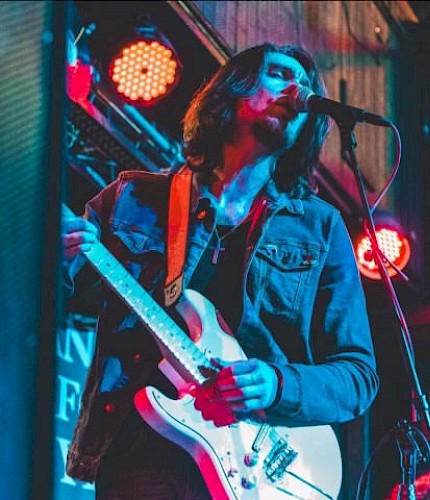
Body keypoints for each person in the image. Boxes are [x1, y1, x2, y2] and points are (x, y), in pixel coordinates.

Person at [62, 43, 379, 499]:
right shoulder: (130, 200)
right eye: (277, 74)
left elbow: (358, 375)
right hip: (143, 455)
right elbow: (45, 306)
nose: (295, 89)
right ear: (230, 90)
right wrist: (58, 260)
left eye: (305, 85)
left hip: (264, 465)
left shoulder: (320, 227)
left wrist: (275, 384)